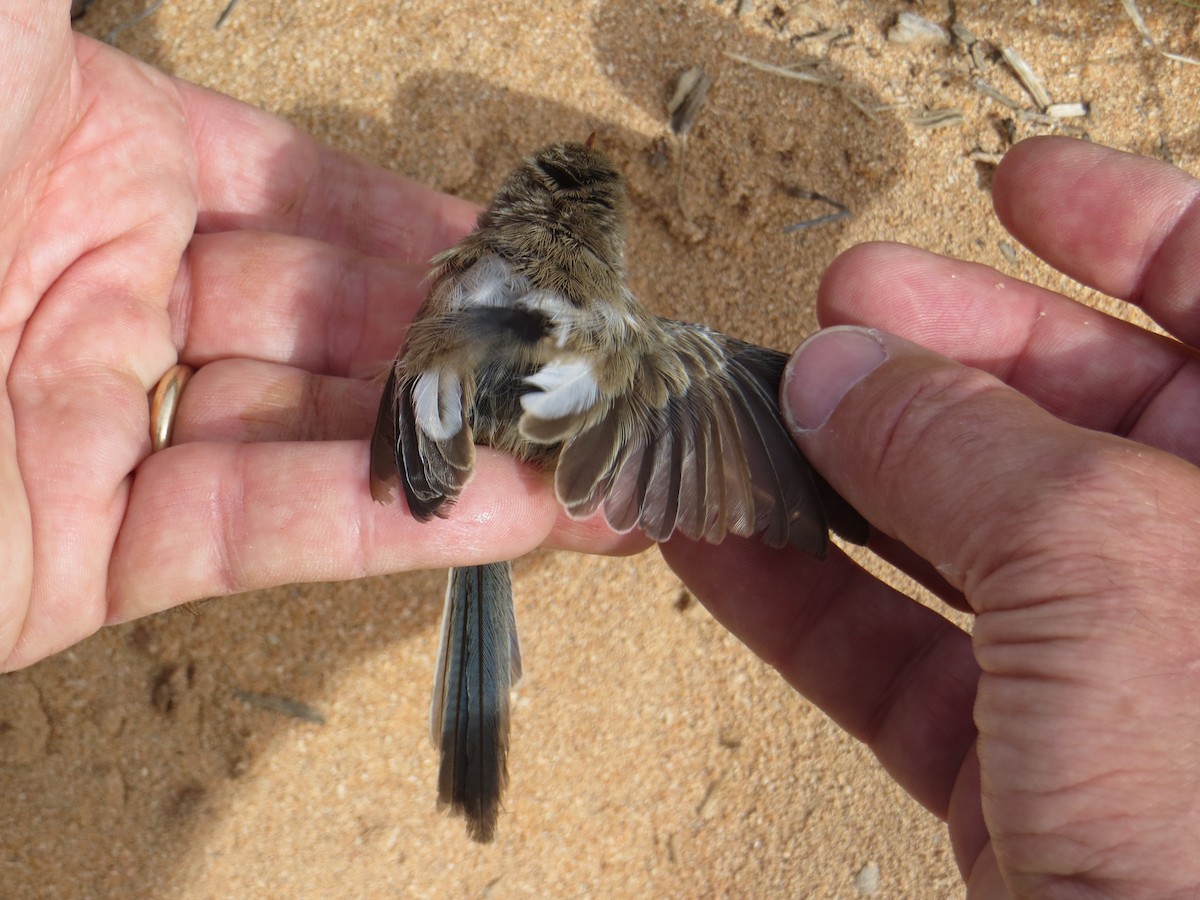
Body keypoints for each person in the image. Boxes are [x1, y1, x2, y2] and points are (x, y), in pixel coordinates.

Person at [5, 3, 1199, 894]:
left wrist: (429, 448)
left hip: (436, 435)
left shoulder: (457, 289)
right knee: (727, 394)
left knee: (488, 534)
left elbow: (426, 395)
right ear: (603, 266)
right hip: (479, 448)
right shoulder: (649, 350)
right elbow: (705, 416)